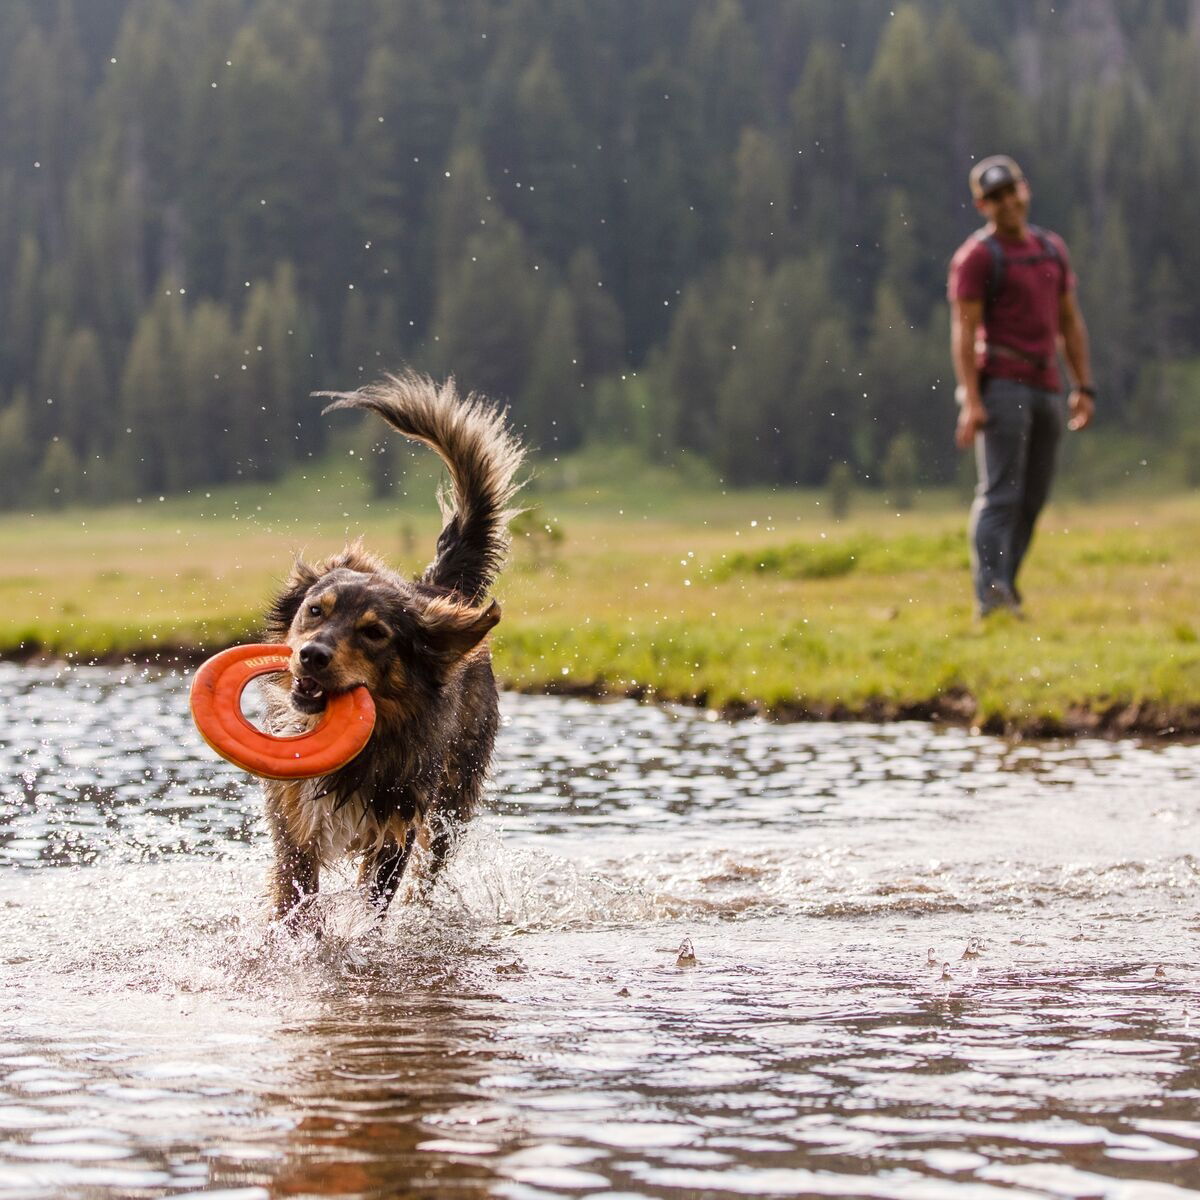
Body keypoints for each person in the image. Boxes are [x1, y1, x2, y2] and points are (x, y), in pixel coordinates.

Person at [948, 155, 1095, 617]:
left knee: (1032, 497)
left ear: (1025, 189)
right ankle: (990, 600)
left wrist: (1083, 386)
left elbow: (1070, 321)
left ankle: (1004, 586)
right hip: (1003, 387)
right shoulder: (976, 257)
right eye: (995, 198)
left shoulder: (1051, 249)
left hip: (1048, 386)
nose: (1007, 203)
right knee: (1000, 496)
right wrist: (971, 400)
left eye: (1011, 191)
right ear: (981, 205)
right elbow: (964, 333)